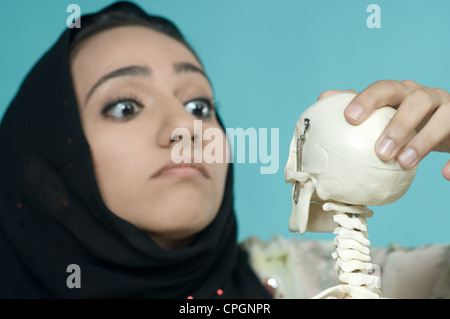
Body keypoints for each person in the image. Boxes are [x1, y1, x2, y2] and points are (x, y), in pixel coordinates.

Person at [0, 1, 448, 298]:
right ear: (42, 168)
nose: (185, 127)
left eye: (199, 105)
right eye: (124, 106)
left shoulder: (310, 282)